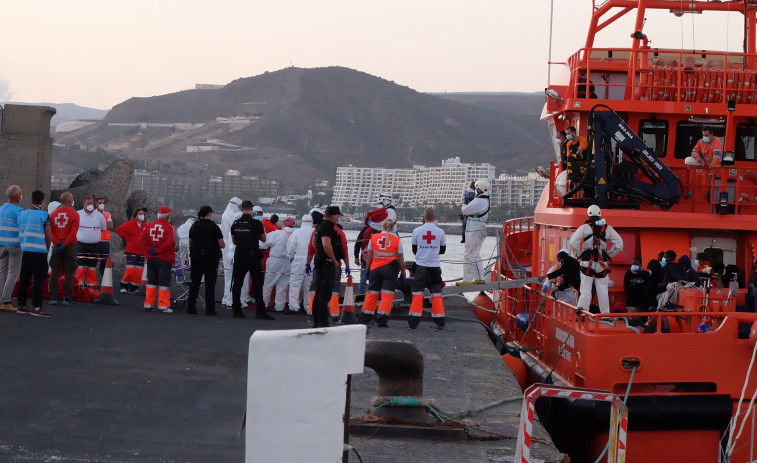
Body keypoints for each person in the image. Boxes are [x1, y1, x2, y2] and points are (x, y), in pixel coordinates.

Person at [569, 205, 624, 314]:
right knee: (602, 291)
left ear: (588, 215)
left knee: (585, 291)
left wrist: (579, 254)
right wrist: (608, 254)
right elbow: (619, 245)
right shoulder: (607, 228)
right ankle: (605, 315)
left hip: (586, 263)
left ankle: (583, 313)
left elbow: (572, 243)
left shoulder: (584, 228)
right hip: (601, 264)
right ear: (600, 214)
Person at [359, 219, 405, 327]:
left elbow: (369, 256)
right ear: (393, 228)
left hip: (375, 269)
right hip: (390, 270)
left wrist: (368, 269)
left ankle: (365, 317)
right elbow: (401, 259)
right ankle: (381, 319)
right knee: (387, 295)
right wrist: (403, 272)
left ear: (382, 227)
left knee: (372, 294)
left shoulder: (374, 238)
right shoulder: (397, 240)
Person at [230, 200, 271, 320]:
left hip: (240, 255)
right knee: (258, 284)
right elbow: (264, 239)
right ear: (252, 208)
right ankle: (260, 311)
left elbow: (234, 241)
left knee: (237, 283)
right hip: (253, 256)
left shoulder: (235, 223)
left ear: (242, 208)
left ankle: (236, 310)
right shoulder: (256, 223)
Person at [408, 208, 446, 330]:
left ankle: (413, 323)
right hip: (434, 267)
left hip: (421, 267)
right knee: (436, 295)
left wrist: (423, 252)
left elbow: (414, 249)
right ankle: (440, 323)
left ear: (423, 217)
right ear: (434, 218)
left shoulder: (416, 231)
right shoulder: (440, 231)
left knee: (417, 295)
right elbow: (443, 250)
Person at [16, 190, 52, 317]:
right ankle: (37, 308)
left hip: (26, 251)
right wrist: (47, 249)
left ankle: (21, 305)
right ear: (42, 201)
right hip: (39, 252)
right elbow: (48, 237)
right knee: (38, 281)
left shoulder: (21, 214)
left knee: (24, 280)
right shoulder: (44, 215)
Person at [311, 206, 347, 328]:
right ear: (334, 215)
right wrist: (334, 259)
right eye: (337, 215)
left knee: (318, 293)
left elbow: (314, 243)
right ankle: (322, 321)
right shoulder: (328, 228)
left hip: (320, 262)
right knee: (325, 294)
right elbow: (326, 244)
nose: (338, 218)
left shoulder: (320, 226)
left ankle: (316, 319)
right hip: (327, 263)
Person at [187, 206, 224, 315]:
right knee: (210, 284)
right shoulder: (214, 227)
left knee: (195, 283)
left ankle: (191, 307)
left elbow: (190, 242)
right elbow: (222, 244)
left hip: (196, 257)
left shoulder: (194, 226)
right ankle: (210, 309)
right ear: (209, 213)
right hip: (211, 258)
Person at [140, 206, 175, 313]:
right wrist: (158, 250)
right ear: (167, 216)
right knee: (164, 282)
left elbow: (142, 241)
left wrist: (149, 251)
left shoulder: (149, 226)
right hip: (164, 258)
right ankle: (163, 305)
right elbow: (169, 243)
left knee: (151, 281)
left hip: (151, 258)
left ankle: (148, 304)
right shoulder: (169, 227)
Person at [458, 178, 491, 285]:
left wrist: (465, 202)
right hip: (479, 228)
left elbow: (465, 210)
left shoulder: (479, 200)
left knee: (468, 254)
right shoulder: (484, 199)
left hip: (474, 229)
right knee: (475, 254)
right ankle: (479, 277)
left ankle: (467, 279)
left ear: (479, 189)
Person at [49, 192, 80, 305]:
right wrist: (65, 244)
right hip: (69, 246)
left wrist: (57, 243)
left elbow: (50, 231)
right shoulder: (75, 214)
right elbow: (73, 232)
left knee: (54, 271)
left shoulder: (52, 214)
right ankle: (67, 298)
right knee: (69, 272)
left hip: (56, 246)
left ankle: (53, 297)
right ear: (70, 201)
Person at [260, 216, 293, 313]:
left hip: (275, 260)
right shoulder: (295, 233)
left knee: (268, 284)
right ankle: (279, 306)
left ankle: (264, 303)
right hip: (288, 262)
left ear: (283, 224)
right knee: (282, 286)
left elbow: (264, 243)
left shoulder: (277, 233)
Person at [221, 197, 248, 307]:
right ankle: (230, 299)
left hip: (227, 247)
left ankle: (227, 298)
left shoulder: (225, 214)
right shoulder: (232, 216)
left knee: (228, 275)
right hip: (231, 247)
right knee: (232, 275)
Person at [0, 185, 23, 312]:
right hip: (15, 245)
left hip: (1, 244)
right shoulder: (19, 211)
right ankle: (6, 300)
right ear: (18, 196)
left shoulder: (1, 209)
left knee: (1, 272)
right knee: (12, 274)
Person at [76, 196, 107, 288]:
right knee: (80, 265)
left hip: (94, 245)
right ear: (84, 204)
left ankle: (91, 284)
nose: (90, 205)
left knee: (92, 265)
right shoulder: (78, 214)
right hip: (80, 244)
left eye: (91, 204)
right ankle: (79, 283)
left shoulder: (99, 216)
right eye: (88, 204)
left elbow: (103, 228)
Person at [116, 208, 148, 294]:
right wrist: (128, 238)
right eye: (140, 213)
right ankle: (124, 285)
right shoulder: (130, 224)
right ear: (136, 215)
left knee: (138, 271)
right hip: (131, 250)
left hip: (142, 251)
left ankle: (134, 287)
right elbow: (119, 230)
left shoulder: (146, 226)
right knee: (130, 270)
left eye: (143, 214)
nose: (142, 215)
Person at [286, 214, 313, 313]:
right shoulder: (314, 232)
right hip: (312, 260)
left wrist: (290, 256)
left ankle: (293, 306)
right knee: (309, 285)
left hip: (298, 260)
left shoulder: (297, 232)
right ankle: (308, 307)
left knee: (295, 284)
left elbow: (290, 247)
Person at [95, 197, 113, 276]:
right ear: (96, 204)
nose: (102, 205)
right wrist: (105, 225)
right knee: (93, 262)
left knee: (104, 262)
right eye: (100, 203)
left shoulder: (107, 214)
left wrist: (99, 226)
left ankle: (103, 281)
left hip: (105, 242)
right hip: (95, 241)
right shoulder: (93, 214)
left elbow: (110, 226)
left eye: (103, 203)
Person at [353, 223, 371, 294]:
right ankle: (360, 297)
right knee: (363, 280)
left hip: (376, 261)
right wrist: (356, 256)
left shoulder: (381, 230)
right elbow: (358, 242)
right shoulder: (365, 229)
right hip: (365, 260)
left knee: (372, 282)